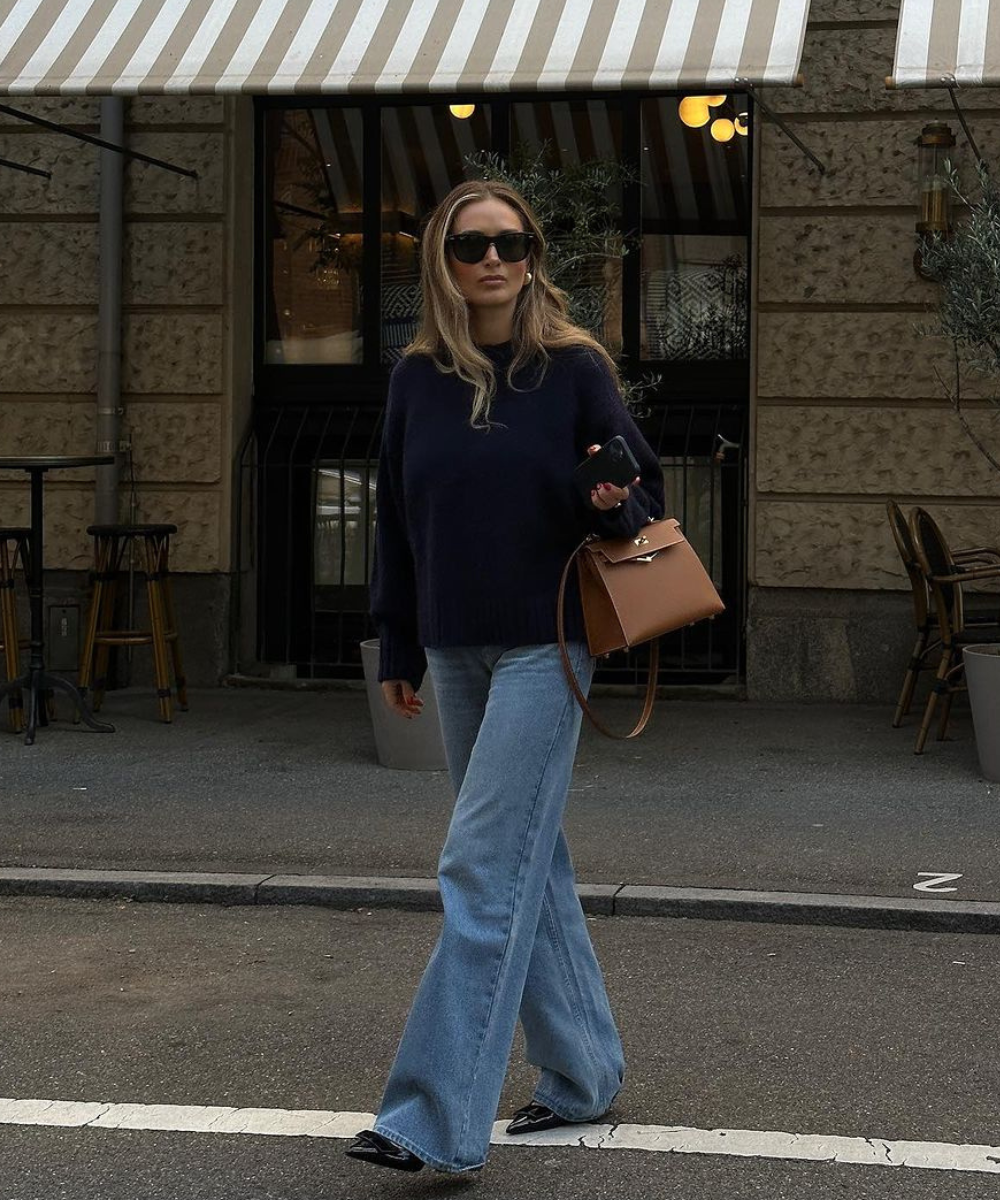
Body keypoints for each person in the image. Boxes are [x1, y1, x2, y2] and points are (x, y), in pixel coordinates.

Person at [346, 179, 665, 1176]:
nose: (492, 259)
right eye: (469, 244)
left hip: (548, 642)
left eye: (511, 242)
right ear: (441, 260)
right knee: (531, 862)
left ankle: (431, 1120)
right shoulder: (414, 380)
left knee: (480, 868)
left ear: (532, 255)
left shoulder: (573, 368)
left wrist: (609, 494)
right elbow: (396, 522)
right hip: (452, 646)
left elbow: (639, 493)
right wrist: (397, 644)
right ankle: (582, 1074)